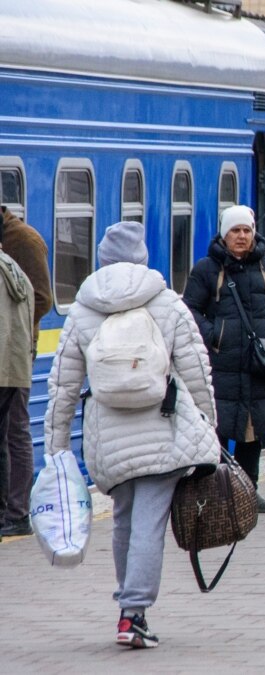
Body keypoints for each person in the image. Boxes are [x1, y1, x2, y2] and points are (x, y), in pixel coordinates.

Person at [44, 221, 221, 648]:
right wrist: (209, 423)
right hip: (163, 430)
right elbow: (197, 369)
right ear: (142, 258)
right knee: (149, 524)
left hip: (110, 439)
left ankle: (128, 608)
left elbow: (64, 384)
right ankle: (133, 613)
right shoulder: (166, 302)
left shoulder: (83, 309)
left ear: (102, 260)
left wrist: (56, 446)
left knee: (124, 521)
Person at [183, 205, 265, 514]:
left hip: (258, 366)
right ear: (224, 234)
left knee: (251, 433)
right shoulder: (206, 269)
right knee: (216, 431)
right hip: (222, 366)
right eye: (235, 231)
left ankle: (248, 493)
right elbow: (190, 309)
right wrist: (215, 335)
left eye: (246, 230)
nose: (241, 236)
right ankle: (217, 495)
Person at [0, 205, 51, 538]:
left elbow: (43, 299)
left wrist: (15, 328)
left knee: (15, 428)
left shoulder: (25, 240)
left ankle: (17, 511)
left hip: (16, 348)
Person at [0, 231, 34, 546]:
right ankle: (13, 514)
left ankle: (13, 514)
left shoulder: (25, 244)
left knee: (12, 437)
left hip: (8, 365)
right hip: (14, 364)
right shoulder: (12, 266)